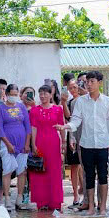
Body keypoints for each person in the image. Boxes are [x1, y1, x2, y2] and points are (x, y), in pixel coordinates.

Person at [59, 70, 109, 214]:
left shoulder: (108, 101)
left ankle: (103, 207)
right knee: (89, 175)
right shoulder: (80, 101)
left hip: (103, 143)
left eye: (92, 81)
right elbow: (76, 120)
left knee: (103, 175)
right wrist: (67, 126)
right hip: (86, 143)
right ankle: (90, 206)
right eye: (87, 82)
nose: (89, 85)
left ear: (99, 83)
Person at [29, 82, 65, 210]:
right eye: (41, 94)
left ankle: (55, 202)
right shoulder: (34, 110)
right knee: (40, 170)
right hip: (40, 142)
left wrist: (64, 142)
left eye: (45, 93)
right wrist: (33, 144)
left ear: (51, 94)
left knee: (54, 171)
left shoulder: (58, 109)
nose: (42, 96)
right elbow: (33, 127)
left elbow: (62, 126)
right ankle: (41, 201)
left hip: (54, 143)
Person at [0, 83, 32, 209]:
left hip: (22, 144)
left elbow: (27, 126)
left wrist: (27, 143)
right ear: (6, 94)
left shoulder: (21, 107)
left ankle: (19, 198)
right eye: (11, 94)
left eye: (16, 95)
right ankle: (7, 199)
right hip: (7, 144)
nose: (14, 97)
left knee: (22, 172)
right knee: (7, 171)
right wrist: (8, 144)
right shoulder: (1, 108)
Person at [61, 74, 85, 208]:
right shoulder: (69, 102)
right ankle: (75, 196)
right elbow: (68, 117)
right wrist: (64, 102)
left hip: (85, 135)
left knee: (85, 166)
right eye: (71, 88)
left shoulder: (85, 100)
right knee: (74, 166)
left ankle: (86, 195)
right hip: (73, 134)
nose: (73, 89)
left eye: (75, 87)